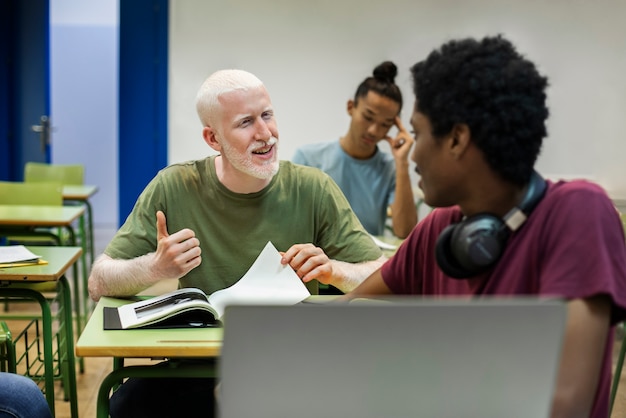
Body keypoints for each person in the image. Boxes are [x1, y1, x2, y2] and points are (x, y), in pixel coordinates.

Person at [344, 35, 626, 418]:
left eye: (419, 132)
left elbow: (565, 404)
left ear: (457, 139)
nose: (413, 153)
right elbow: (345, 314)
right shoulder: (439, 230)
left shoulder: (577, 211)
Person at [88, 68, 385, 417]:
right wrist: (155, 267)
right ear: (213, 139)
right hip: (198, 364)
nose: (266, 134)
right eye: (246, 122)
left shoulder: (313, 188)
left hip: (290, 363)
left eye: (267, 115)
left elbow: (383, 273)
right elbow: (98, 282)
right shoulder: (174, 186)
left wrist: (335, 270)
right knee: (126, 406)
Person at [292, 61, 417, 238]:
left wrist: (402, 163)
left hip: (368, 260)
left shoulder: (390, 168)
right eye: (368, 117)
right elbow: (291, 223)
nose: (374, 130)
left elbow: (405, 232)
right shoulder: (308, 158)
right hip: (317, 259)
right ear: (351, 107)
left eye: (385, 124)